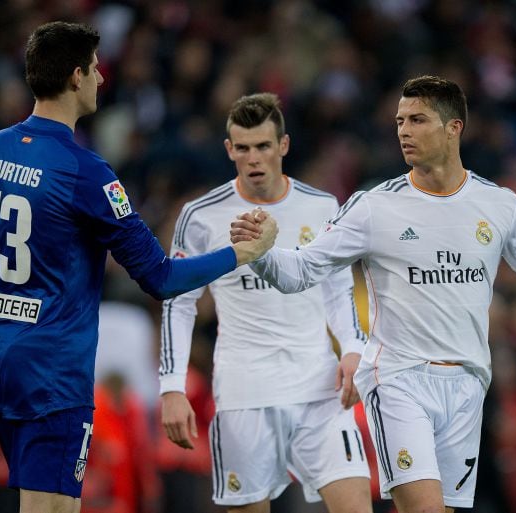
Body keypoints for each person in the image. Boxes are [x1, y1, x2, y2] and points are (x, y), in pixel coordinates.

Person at [0, 21, 275, 513]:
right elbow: (161, 278)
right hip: (52, 376)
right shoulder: (85, 173)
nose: (103, 80)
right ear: (76, 77)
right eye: (97, 70)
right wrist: (241, 254)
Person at [230, 76, 516, 513]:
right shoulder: (374, 206)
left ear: (453, 127)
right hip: (399, 380)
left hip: (468, 382)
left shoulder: (498, 205)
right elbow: (302, 270)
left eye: (418, 119)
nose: (403, 130)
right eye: (400, 120)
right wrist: (261, 254)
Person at [159, 92, 372, 513]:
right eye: (243, 148)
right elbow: (178, 303)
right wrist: (172, 387)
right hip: (244, 391)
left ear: (283, 146)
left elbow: (337, 290)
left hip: (319, 389)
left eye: (263, 146)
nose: (253, 158)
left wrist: (352, 348)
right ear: (229, 150)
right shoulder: (200, 216)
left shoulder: (322, 206)